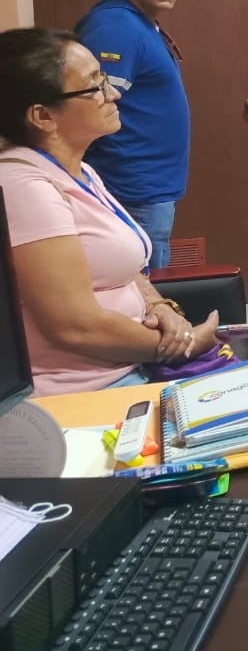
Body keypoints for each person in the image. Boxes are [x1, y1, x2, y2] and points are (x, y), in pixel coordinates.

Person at [0, 28, 220, 396]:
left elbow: (123, 268)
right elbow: (74, 327)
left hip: (132, 364)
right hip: (85, 392)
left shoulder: (80, 171)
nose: (113, 93)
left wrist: (160, 307)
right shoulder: (25, 188)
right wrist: (184, 344)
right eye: (95, 86)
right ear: (43, 116)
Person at [75, 0, 197, 268]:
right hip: (131, 189)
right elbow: (88, 110)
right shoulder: (115, 27)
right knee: (142, 286)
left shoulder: (140, 23)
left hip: (147, 186)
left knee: (148, 279)